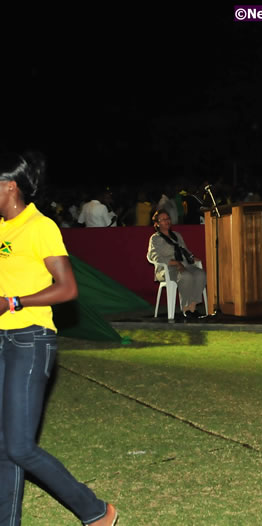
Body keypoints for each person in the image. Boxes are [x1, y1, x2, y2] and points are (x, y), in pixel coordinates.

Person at [0, 153, 118, 525]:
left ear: (10, 187)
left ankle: (96, 511)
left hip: (31, 340)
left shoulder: (40, 227)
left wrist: (14, 302)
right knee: (3, 447)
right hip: (2, 339)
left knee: (20, 447)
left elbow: (67, 288)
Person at [147, 209, 207, 319]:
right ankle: (185, 309)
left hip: (183, 264)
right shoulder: (155, 238)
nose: (167, 221)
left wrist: (192, 257)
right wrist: (174, 263)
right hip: (167, 268)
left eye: (168, 218)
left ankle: (192, 307)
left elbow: (185, 250)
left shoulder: (176, 235)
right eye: (163, 219)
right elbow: (154, 257)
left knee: (200, 274)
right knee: (186, 276)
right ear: (157, 224)